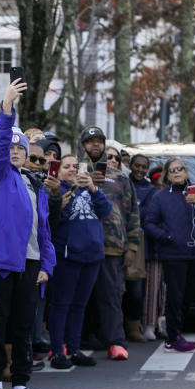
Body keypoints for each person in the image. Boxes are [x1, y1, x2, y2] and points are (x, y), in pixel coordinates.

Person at [0, 79, 55, 389]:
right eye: (12, 148)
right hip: (0, 261)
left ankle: (20, 383)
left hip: (30, 263)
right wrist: (6, 108)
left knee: (25, 326)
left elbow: (45, 231)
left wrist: (47, 266)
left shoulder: (36, 185)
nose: (17, 152)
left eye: (22, 149)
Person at [142, 156, 195, 353]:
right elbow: (149, 223)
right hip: (174, 254)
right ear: (167, 175)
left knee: (188, 295)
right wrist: (166, 237)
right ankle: (173, 338)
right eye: (172, 170)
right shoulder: (160, 196)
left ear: (186, 172)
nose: (177, 173)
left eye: (180, 169)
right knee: (175, 296)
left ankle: (175, 333)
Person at [79, 126, 139, 360]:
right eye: (90, 141)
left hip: (112, 245)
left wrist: (132, 246)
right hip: (79, 244)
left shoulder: (119, 176)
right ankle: (78, 339)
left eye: (99, 141)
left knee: (111, 295)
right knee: (79, 296)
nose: (95, 145)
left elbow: (132, 212)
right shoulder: (73, 170)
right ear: (82, 144)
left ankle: (116, 341)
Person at [45, 154, 111, 368]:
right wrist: (60, 204)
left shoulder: (90, 189)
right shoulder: (56, 190)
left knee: (79, 306)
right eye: (67, 166)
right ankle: (57, 351)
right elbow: (52, 222)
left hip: (92, 254)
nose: (72, 170)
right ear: (59, 170)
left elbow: (106, 211)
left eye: (75, 166)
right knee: (61, 304)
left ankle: (73, 350)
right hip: (67, 255)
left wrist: (94, 188)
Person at [126, 154, 155, 343]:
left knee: (136, 290)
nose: (140, 170)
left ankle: (133, 327)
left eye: (144, 167)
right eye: (137, 166)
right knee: (114, 290)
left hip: (139, 244)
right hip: (117, 240)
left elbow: (145, 214)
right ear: (130, 166)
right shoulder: (122, 182)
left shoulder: (150, 189)